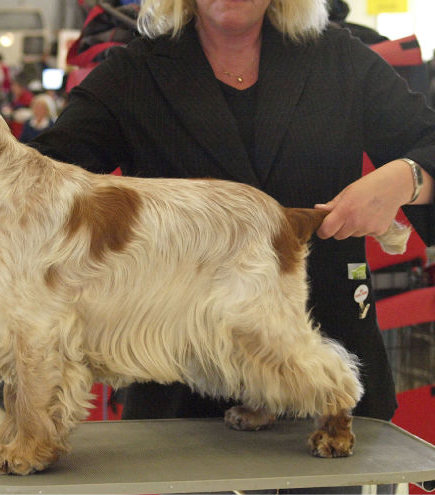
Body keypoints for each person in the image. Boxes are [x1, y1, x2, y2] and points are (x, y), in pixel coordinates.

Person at [31, 0, 435, 443]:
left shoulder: (340, 58)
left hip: (325, 373)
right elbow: (41, 180)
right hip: (179, 402)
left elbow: (426, 139)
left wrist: (407, 178)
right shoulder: (131, 74)